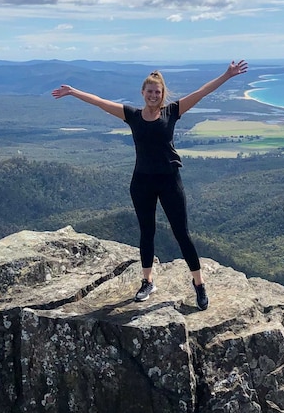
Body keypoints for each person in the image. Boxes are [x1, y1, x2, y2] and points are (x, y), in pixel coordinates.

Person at [52, 60, 248, 310]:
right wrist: (73, 92)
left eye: (158, 92)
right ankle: (147, 282)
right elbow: (100, 102)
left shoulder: (172, 112)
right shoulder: (132, 115)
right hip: (141, 183)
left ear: (162, 94)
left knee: (182, 234)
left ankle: (199, 284)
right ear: (142, 93)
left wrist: (227, 75)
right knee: (147, 233)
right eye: (150, 91)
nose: (154, 95)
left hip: (169, 181)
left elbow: (202, 92)